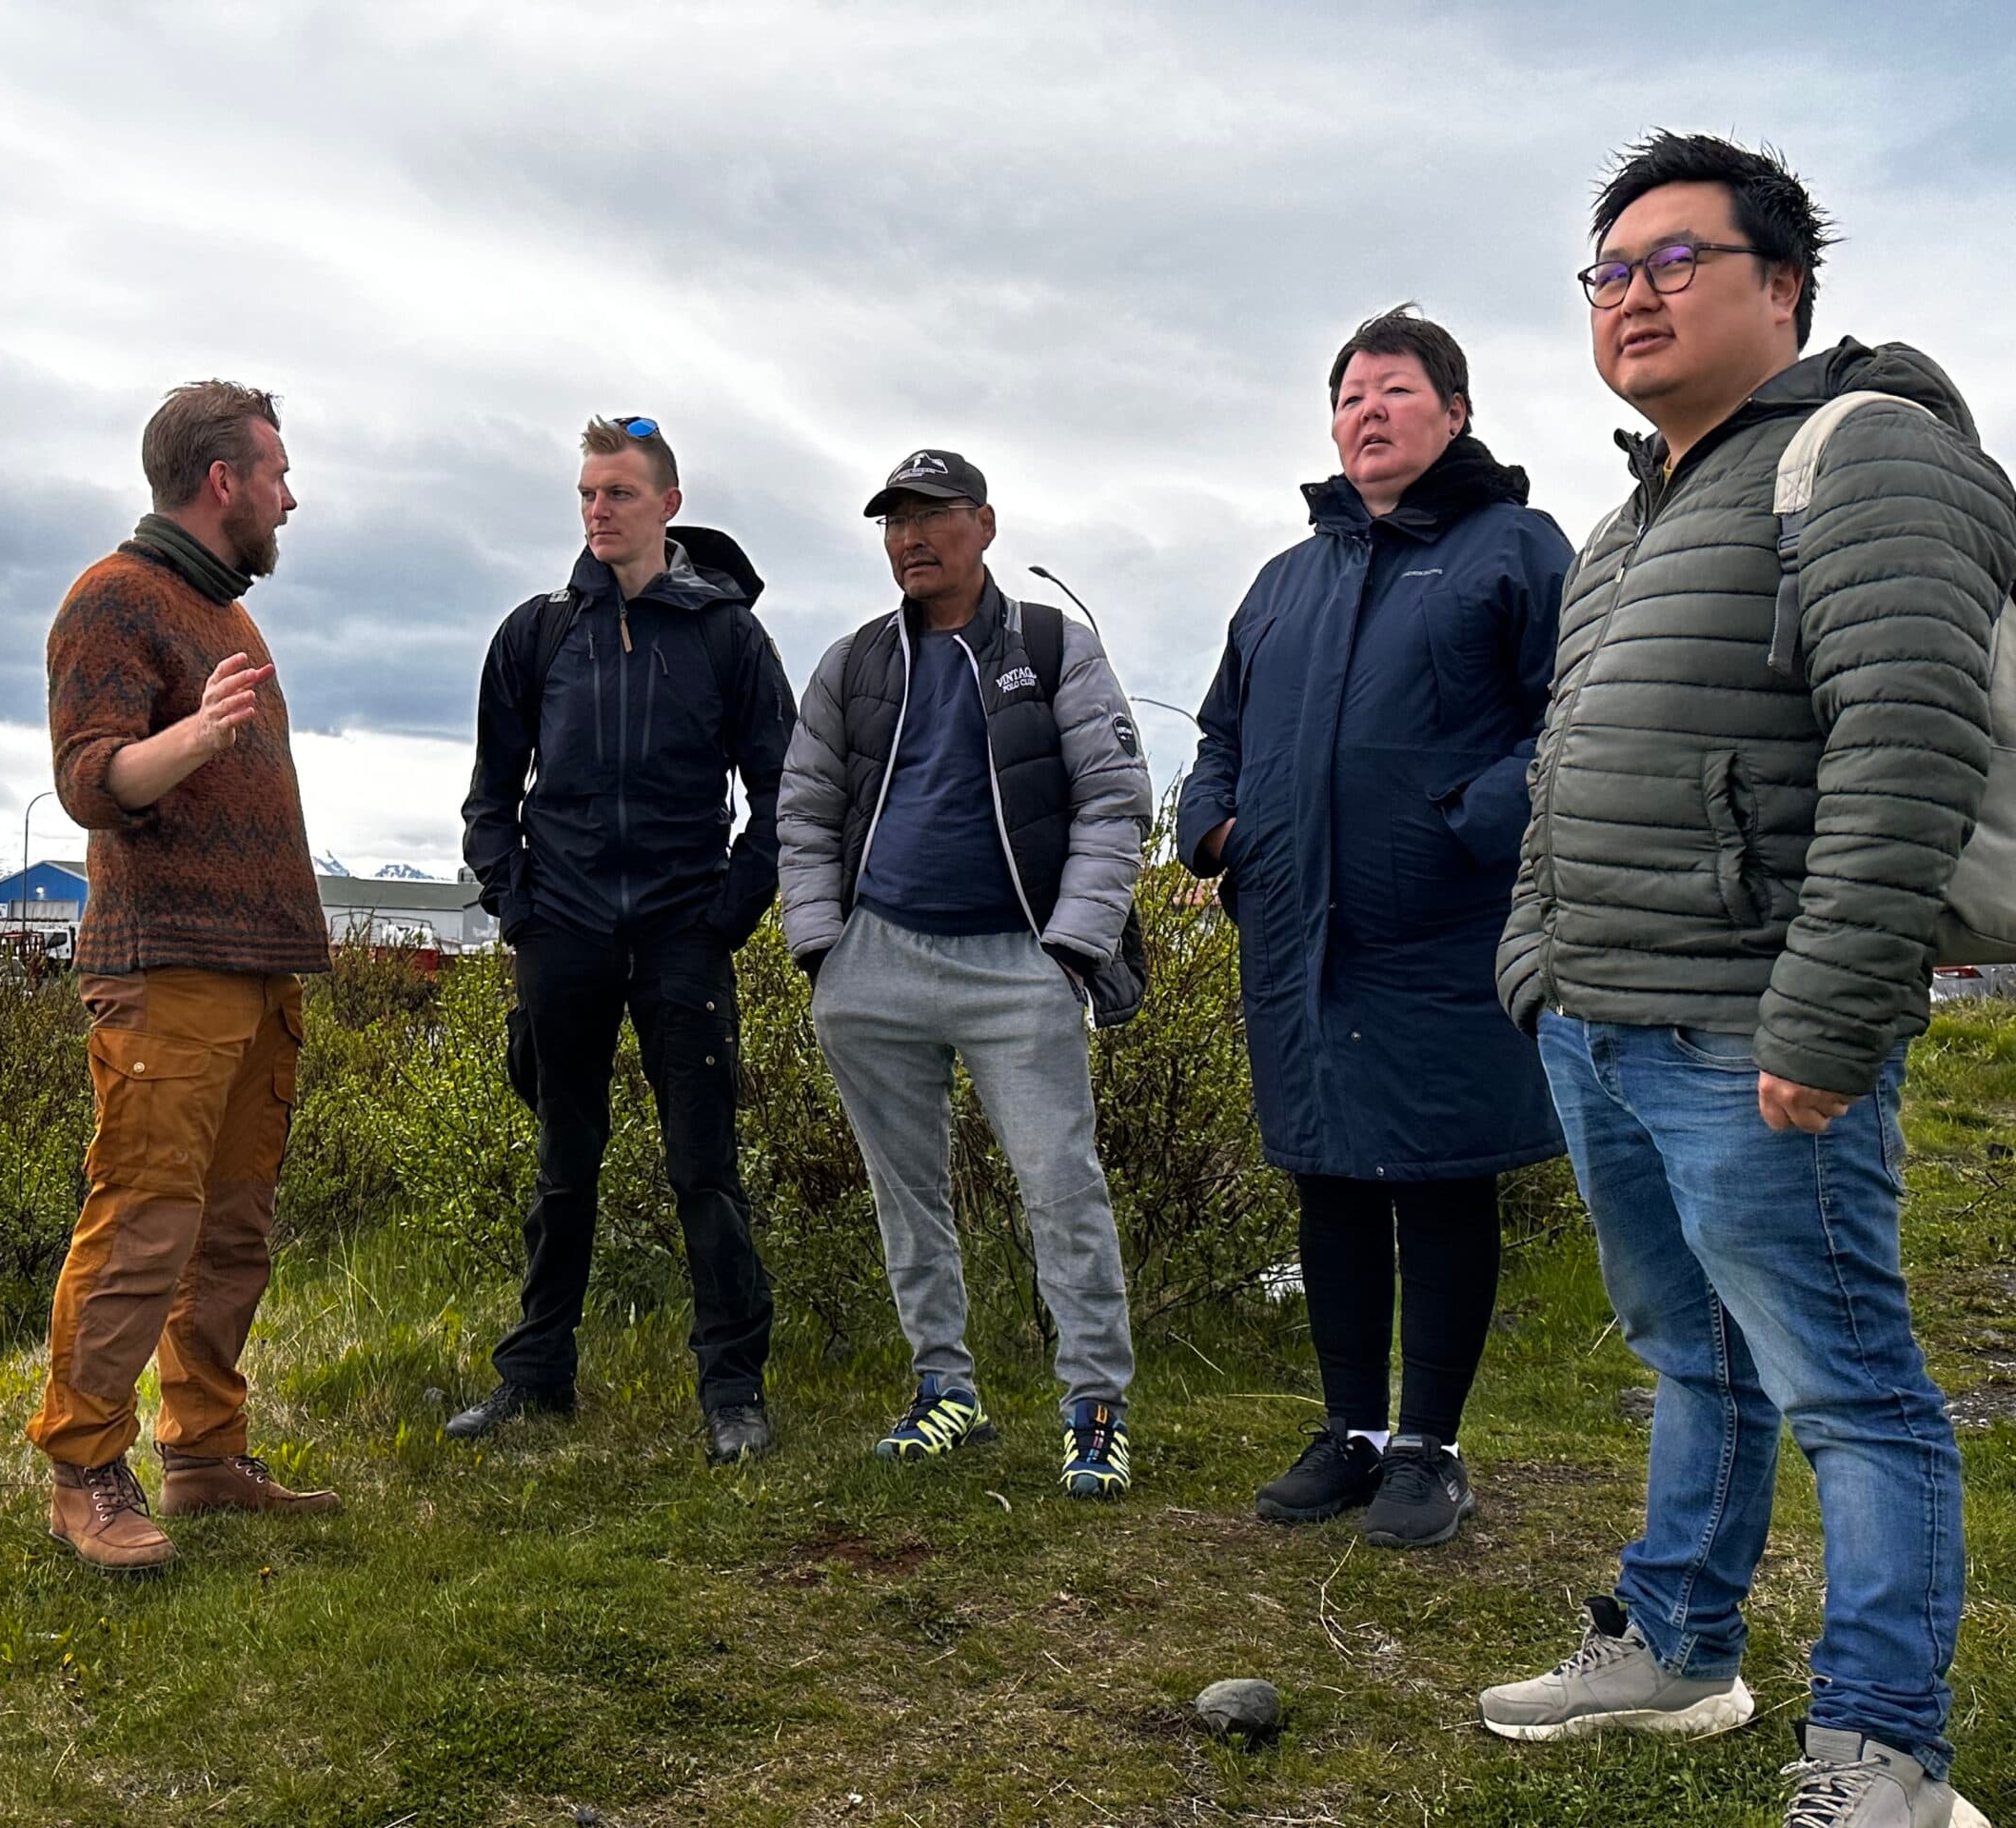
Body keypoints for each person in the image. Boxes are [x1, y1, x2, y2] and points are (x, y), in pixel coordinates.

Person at [1481, 132, 2013, 1828]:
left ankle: (1883, 1754)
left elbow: (1910, 747)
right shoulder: (1633, 517)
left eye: (1675, 259)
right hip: (1602, 1017)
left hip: (1750, 1025)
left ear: (1783, 284)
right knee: (1690, 1352)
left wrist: (1835, 1012)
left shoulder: (1868, 456)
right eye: (1609, 271)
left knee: (1853, 1389)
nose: (1634, 295)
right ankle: (1681, 1648)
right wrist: (1535, 970)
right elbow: (1568, 757)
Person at [1176, 308, 1570, 1550]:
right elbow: (1219, 738)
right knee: (1330, 1179)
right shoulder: (1287, 581)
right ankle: (1349, 1434)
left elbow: (1569, 715)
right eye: (1349, 396)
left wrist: (1471, 820)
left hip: (1440, 933)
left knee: (1439, 1178)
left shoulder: (1514, 548)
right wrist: (1213, 833)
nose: (1367, 413)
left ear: (1452, 411)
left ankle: (1430, 1448)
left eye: (1393, 391)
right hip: (1298, 934)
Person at [779, 449, 1151, 1498]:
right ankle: (945, 1391)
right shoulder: (853, 662)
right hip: (876, 963)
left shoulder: (1050, 646)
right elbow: (803, 806)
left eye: (932, 514)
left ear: (982, 525)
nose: (910, 536)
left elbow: (1114, 798)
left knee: (1061, 1191)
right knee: (906, 1197)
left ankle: (1094, 1410)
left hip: (1014, 962)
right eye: (894, 520)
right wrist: (823, 949)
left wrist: (1072, 948)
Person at [28, 380, 340, 1571]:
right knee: (146, 1220)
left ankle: (204, 1456)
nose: (288, 496)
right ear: (224, 483)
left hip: (259, 971)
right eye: (276, 472)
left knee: (231, 1230)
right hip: (165, 969)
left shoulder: (230, 619)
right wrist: (198, 737)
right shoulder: (111, 601)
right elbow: (89, 780)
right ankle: (84, 1469)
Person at [455, 416, 792, 1467]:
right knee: (565, 1164)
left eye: (619, 494)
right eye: (587, 494)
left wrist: (728, 911)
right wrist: (520, 908)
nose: (598, 510)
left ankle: (732, 1389)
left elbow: (785, 792)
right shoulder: (539, 632)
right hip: (565, 936)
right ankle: (535, 1373)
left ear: (668, 507)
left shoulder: (728, 637)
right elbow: (488, 795)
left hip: (684, 938)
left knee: (706, 1171)